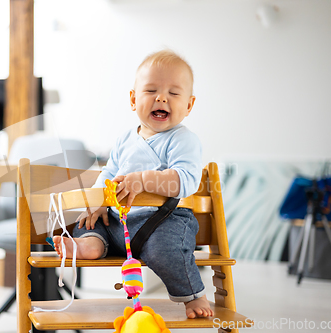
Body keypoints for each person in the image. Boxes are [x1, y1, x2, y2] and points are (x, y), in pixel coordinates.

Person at [53, 50, 213, 319]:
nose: (161, 97)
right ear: (133, 99)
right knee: (88, 224)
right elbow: (109, 172)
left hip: (165, 220)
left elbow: (186, 181)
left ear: (189, 105)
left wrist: (144, 180)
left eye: (174, 93)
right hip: (120, 222)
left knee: (165, 250)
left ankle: (193, 295)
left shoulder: (184, 140)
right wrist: (100, 202)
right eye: (151, 90)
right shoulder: (125, 139)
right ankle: (87, 247)